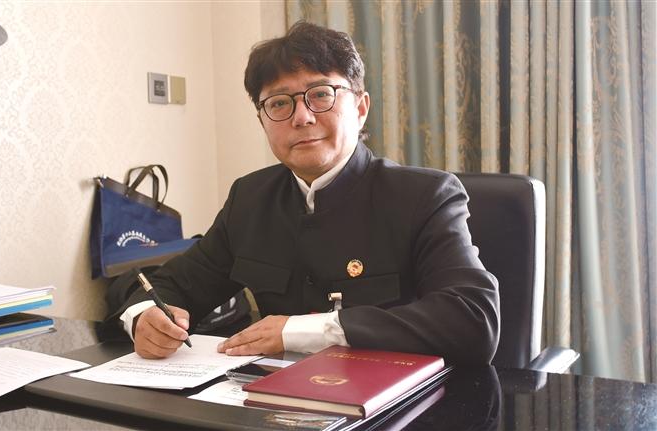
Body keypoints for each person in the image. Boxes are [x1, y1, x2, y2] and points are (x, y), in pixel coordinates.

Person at [115, 21, 499, 365]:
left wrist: (302, 331)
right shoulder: (250, 198)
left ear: (361, 108)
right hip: (271, 402)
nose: (302, 117)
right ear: (263, 121)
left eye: (321, 94)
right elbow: (170, 284)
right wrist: (145, 317)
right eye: (279, 103)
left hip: (397, 406)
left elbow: (473, 319)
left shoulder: (424, 195)